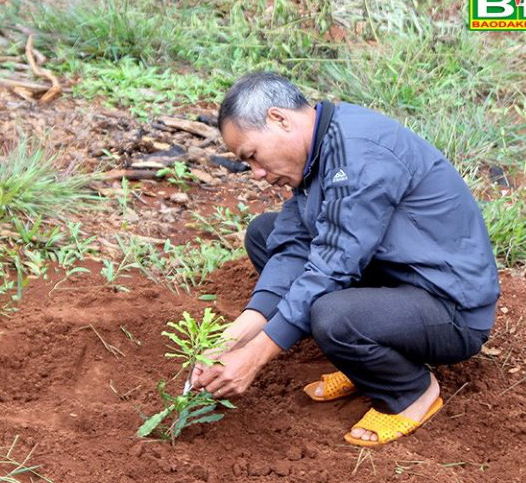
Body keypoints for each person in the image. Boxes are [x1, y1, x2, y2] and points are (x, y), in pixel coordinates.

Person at [191, 72, 500, 447]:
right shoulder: (319, 149)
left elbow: (332, 267)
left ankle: (410, 391)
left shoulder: (359, 153)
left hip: (450, 309)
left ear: (279, 119)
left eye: (252, 156)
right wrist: (234, 335)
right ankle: (365, 357)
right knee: (266, 234)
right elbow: (294, 247)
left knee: (332, 315)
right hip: (398, 280)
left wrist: (255, 356)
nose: (257, 173)